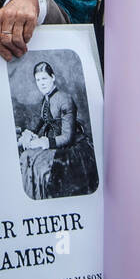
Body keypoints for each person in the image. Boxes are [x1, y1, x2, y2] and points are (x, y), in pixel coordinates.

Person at [17, 60, 98, 199]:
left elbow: (67, 137)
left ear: (53, 77)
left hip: (70, 147)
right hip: (54, 141)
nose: (41, 83)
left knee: (38, 167)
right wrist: (31, 134)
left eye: (44, 78)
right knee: (26, 157)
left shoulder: (65, 99)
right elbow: (43, 120)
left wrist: (45, 142)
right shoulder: (46, 98)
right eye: (38, 80)